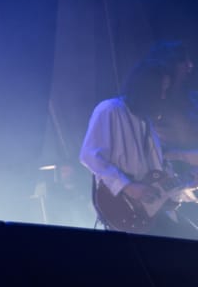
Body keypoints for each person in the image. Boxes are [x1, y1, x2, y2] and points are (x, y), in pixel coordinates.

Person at [80, 58, 198, 239]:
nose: (164, 96)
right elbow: (90, 156)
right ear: (146, 89)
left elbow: (158, 173)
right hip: (124, 205)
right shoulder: (110, 110)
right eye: (161, 90)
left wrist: (189, 182)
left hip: (152, 210)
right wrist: (127, 186)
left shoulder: (147, 122)